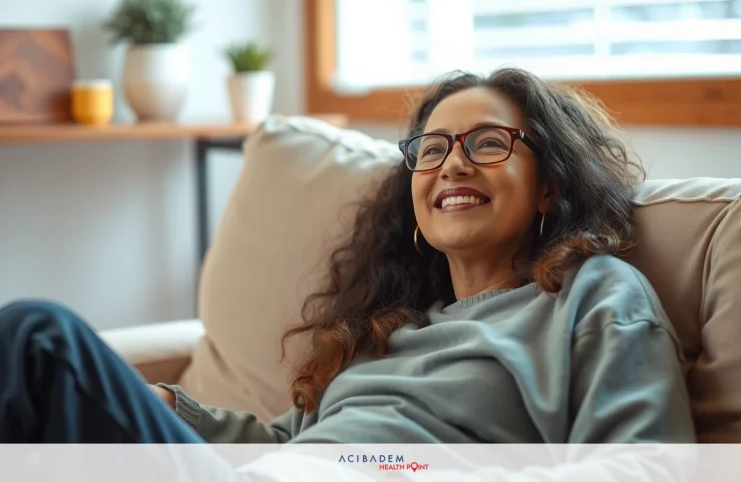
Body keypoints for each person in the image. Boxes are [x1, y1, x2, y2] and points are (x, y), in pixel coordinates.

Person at [0, 68, 695, 450]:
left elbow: (643, 465)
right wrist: (163, 409)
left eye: (487, 143)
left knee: (36, 339)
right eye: (432, 149)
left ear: (550, 184)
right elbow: (281, 444)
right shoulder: (389, 327)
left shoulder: (594, 297)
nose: (452, 164)